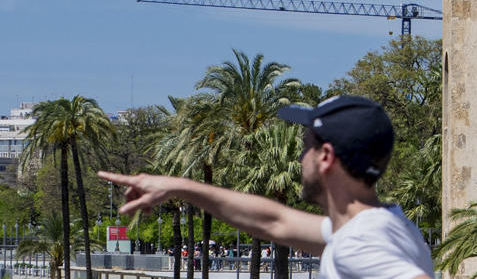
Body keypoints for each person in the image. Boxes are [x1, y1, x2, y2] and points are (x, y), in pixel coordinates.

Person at [99, 95, 432, 279]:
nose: (300, 156)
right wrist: (179, 187)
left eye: (306, 144)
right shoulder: (389, 225)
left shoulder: (358, 244)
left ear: (325, 157)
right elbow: (274, 221)